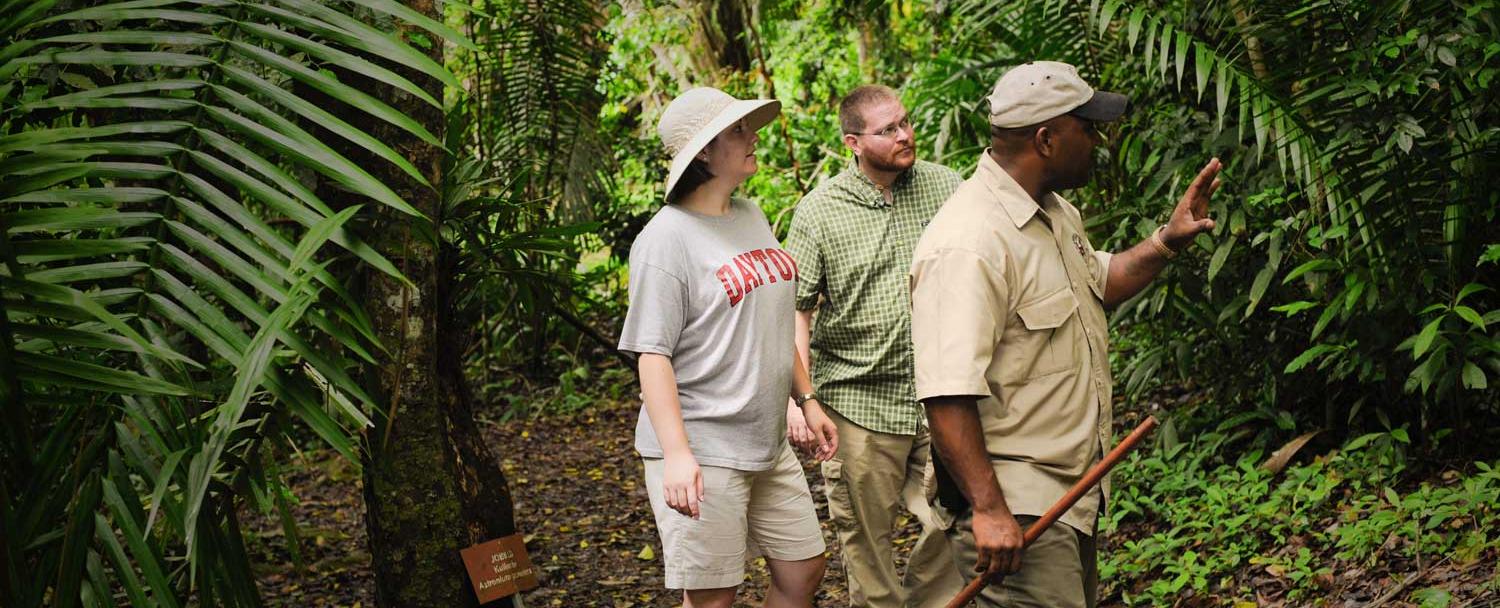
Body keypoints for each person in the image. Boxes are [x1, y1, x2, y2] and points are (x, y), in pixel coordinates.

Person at [909, 61, 1223, 607]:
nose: (1099, 141)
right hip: (1018, 509)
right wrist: (988, 509)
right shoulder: (968, 242)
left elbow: (1098, 281)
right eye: (1089, 127)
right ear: (1047, 139)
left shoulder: (1054, 213)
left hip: (1069, 499)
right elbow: (946, 392)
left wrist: (1167, 241)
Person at [618, 86, 841, 608]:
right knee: (714, 597)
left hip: (765, 441)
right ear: (702, 152)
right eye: (737, 130)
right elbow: (651, 355)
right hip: (703, 444)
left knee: (804, 568)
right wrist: (676, 455)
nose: (753, 136)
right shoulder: (664, 240)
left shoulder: (750, 214)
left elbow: (773, 318)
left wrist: (806, 399)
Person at [783, 84, 964, 608]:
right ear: (853, 143)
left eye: (906, 122)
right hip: (856, 405)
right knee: (866, 546)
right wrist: (803, 400)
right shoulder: (819, 211)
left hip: (941, 393)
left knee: (960, 520)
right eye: (889, 130)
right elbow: (797, 308)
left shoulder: (945, 186)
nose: (906, 135)